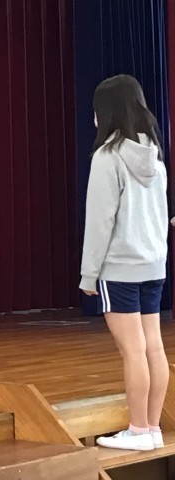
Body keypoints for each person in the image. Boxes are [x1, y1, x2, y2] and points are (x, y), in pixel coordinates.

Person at [80, 74, 169, 451]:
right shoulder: (154, 155)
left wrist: (89, 274)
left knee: (133, 351)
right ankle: (152, 428)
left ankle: (138, 430)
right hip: (154, 265)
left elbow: (100, 221)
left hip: (119, 268)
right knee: (153, 348)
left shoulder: (107, 156)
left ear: (107, 111)